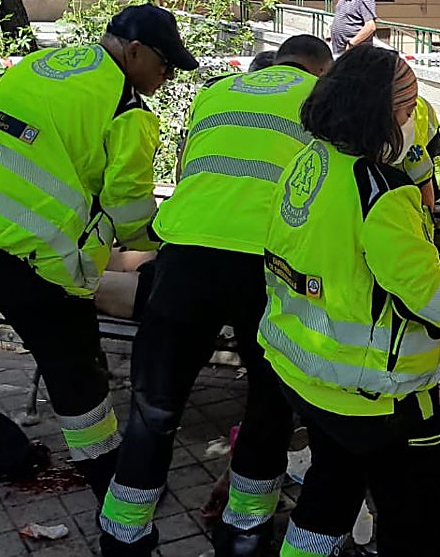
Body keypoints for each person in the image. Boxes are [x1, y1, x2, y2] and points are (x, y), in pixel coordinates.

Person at [0, 4, 197, 552]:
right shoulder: (127, 109)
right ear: (134, 52)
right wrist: (172, 240)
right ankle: (118, 501)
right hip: (25, 251)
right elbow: (129, 212)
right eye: (165, 64)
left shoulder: (43, 65)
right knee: (77, 380)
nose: (167, 77)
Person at [99, 34, 334, 557]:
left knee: (155, 404)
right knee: (269, 402)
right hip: (267, 265)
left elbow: (190, 172)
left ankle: (123, 535)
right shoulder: (323, 98)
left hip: (185, 255)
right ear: (323, 70)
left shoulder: (218, 91)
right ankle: (242, 534)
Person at [258, 47, 440, 557]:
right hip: (383, 399)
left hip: (308, 377)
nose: (414, 124)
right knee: (417, 526)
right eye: (408, 111)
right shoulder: (382, 193)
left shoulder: (308, 161)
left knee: (327, 497)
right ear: (378, 113)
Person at [393, 95, 440, 209]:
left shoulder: (406, 138)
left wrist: (429, 217)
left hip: (427, 129)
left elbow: (424, 182)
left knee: (437, 185)